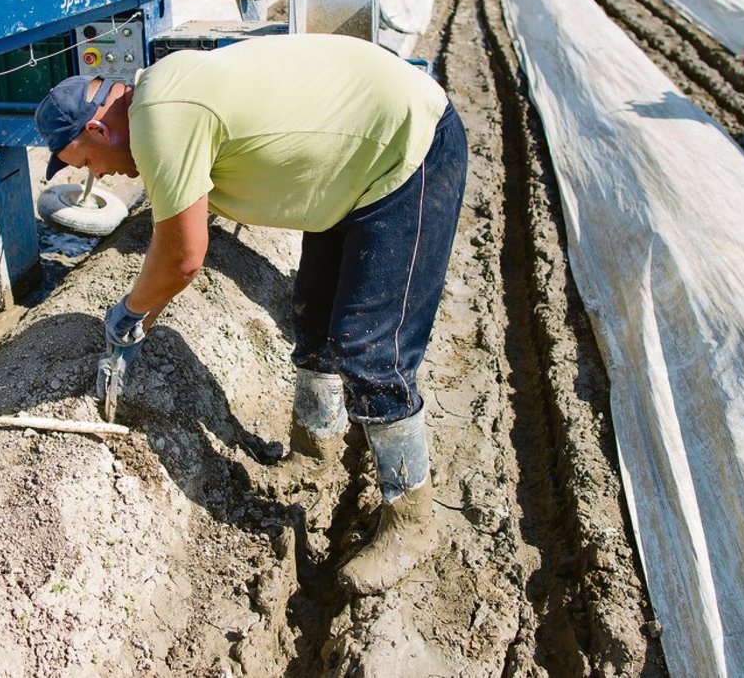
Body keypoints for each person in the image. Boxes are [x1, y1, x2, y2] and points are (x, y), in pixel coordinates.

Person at [34, 32, 467, 594]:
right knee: (314, 317)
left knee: (370, 350)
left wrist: (128, 313)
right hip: (351, 165)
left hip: (406, 150)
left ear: (98, 128)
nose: (101, 176)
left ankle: (412, 521)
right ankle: (316, 448)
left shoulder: (163, 119)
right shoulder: (162, 100)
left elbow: (183, 257)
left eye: (87, 163)